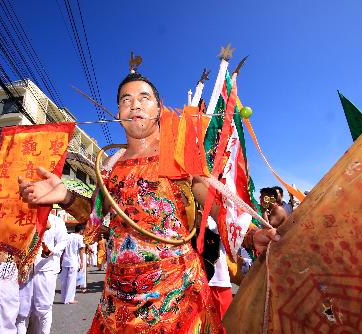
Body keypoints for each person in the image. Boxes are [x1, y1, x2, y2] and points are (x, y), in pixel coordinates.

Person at [18, 72, 279, 333]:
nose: (135, 105)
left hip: (178, 294)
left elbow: (212, 202)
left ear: (158, 106)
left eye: (144, 97)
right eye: (125, 100)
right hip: (118, 301)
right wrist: (64, 196)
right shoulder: (110, 164)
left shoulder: (179, 153)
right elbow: (95, 218)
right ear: (118, 112)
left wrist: (250, 235)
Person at [16, 214, 68, 334]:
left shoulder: (56, 221)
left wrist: (52, 251)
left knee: (43, 309)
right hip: (25, 270)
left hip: (47, 269)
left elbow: (63, 241)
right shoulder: (23, 216)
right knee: (22, 311)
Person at [59, 224, 85, 304]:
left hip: (65, 260)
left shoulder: (68, 236)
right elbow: (81, 250)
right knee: (71, 281)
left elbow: (62, 249)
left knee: (64, 281)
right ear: (81, 231)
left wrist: (60, 260)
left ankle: (63, 298)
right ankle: (69, 299)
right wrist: (81, 261)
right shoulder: (80, 237)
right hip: (73, 261)